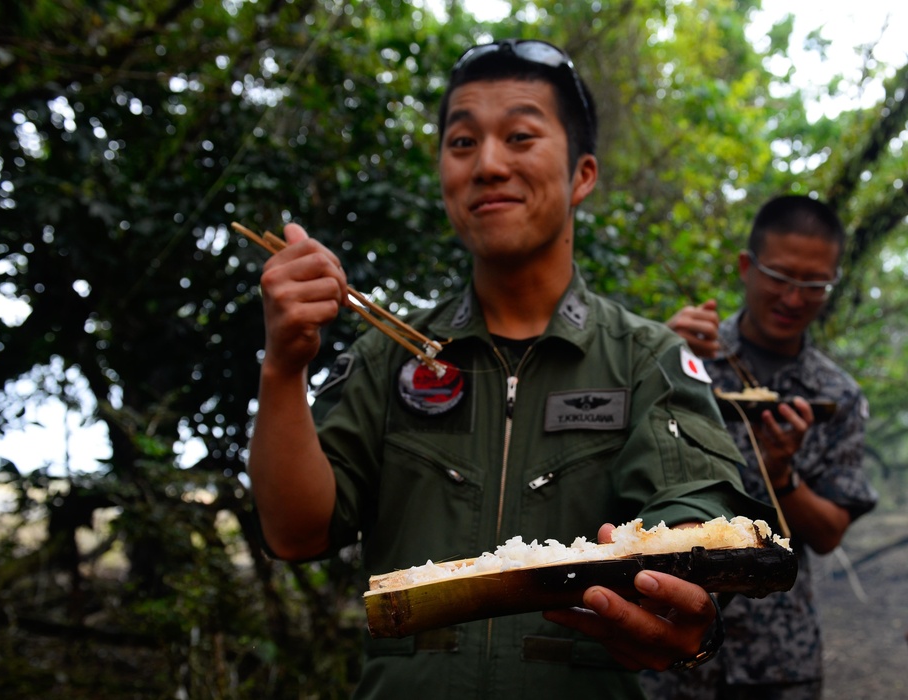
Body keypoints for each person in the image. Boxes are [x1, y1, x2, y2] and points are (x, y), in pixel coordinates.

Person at [246, 38, 775, 700]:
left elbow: (697, 502)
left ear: (583, 174)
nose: (488, 164)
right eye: (463, 143)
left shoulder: (648, 358)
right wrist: (284, 367)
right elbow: (295, 532)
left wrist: (685, 600)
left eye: (520, 136)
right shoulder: (390, 356)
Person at [646, 195, 879, 700]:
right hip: (667, 632)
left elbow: (828, 534)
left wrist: (782, 476)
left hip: (777, 656)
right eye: (780, 277)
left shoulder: (835, 396)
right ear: (747, 268)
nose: (795, 298)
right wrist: (653, 351)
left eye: (814, 285)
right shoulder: (686, 357)